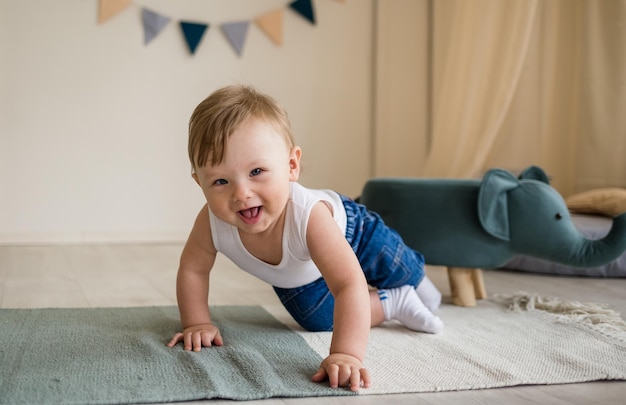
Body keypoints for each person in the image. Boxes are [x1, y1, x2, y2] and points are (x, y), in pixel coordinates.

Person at [167, 85, 443, 392]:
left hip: (354, 232)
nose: (241, 193)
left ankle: (417, 285)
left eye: (257, 171)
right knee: (320, 320)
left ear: (291, 166)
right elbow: (193, 269)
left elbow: (347, 283)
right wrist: (197, 323)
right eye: (220, 181)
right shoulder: (211, 222)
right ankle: (394, 303)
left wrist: (345, 354)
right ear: (200, 183)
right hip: (296, 277)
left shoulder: (308, 216)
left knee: (399, 267)